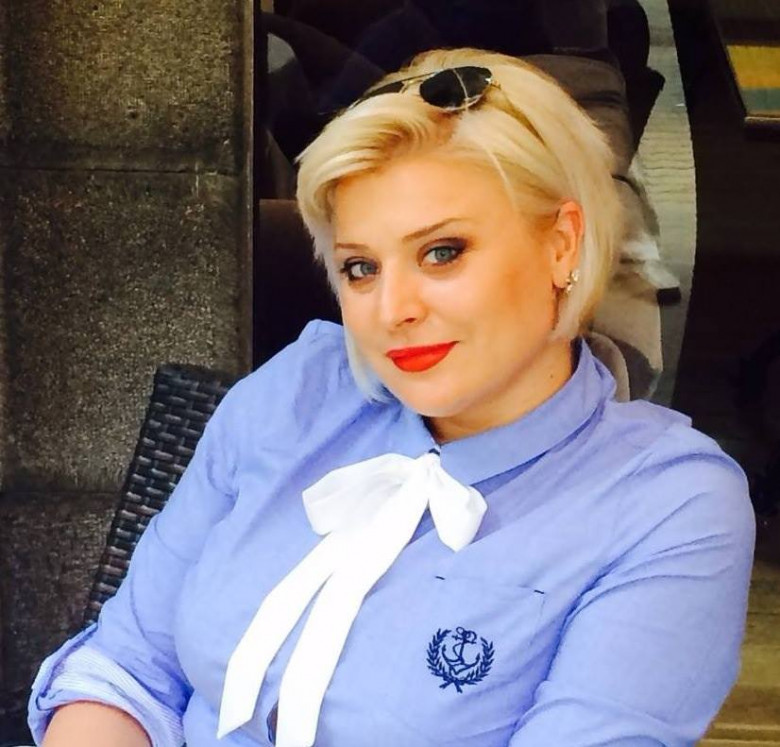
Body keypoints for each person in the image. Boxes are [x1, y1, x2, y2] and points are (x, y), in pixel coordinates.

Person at [28, 47, 754, 747]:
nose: (393, 309)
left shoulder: (665, 504)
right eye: (361, 267)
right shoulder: (301, 390)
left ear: (561, 243)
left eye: (442, 252)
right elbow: (128, 667)